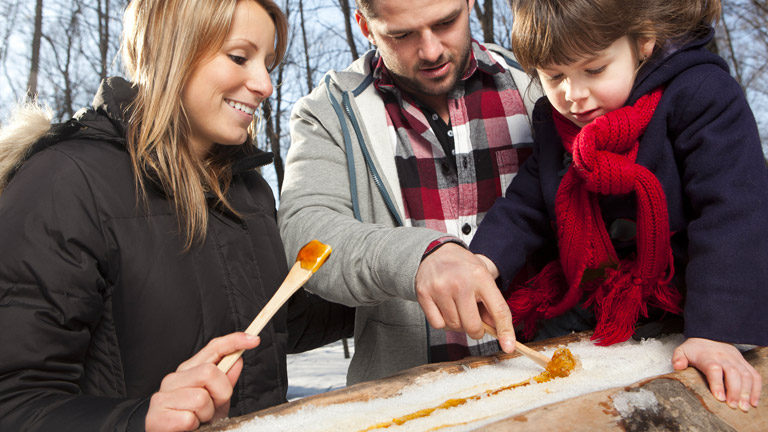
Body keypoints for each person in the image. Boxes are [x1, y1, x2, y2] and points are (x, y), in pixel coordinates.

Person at [0, 0, 353, 430]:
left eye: (268, 63)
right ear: (174, 50)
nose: (264, 84)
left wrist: (395, 282)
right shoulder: (64, 182)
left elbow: (280, 321)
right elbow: (15, 403)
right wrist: (139, 420)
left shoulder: (249, 191)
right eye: (240, 57)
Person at [470, 0, 767, 414]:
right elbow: (527, 203)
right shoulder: (553, 123)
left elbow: (733, 212)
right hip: (593, 295)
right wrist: (484, 262)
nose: (573, 96)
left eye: (594, 70)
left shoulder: (701, 94)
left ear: (643, 42)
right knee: (533, 388)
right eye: (554, 76)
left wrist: (717, 331)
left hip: (686, 302)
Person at [278, 0, 541, 385]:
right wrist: (419, 259)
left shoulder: (538, 81)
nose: (432, 51)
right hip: (410, 403)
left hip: (545, 383)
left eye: (447, 22)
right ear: (365, 27)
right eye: (402, 34)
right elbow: (307, 229)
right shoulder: (329, 111)